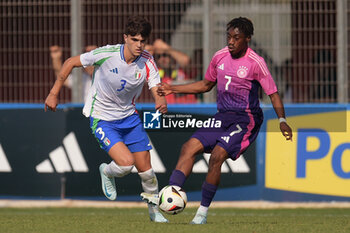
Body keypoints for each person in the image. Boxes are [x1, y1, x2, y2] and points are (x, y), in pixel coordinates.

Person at [141, 17, 293, 224]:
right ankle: (172, 194)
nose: (230, 41)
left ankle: (202, 213)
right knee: (189, 147)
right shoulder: (220, 56)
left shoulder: (256, 62)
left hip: (245, 119)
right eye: (229, 37)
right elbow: (205, 85)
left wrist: (282, 120)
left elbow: (273, 94)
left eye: (236, 38)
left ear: (247, 39)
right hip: (222, 116)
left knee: (217, 156)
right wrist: (172, 88)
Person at [45, 16, 169, 223]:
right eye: (135, 40)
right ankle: (107, 171)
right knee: (126, 164)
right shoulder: (107, 53)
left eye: (143, 41)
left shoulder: (147, 60)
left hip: (130, 118)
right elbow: (70, 63)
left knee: (147, 172)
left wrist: (160, 100)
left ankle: (154, 212)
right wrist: (53, 93)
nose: (139, 45)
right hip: (103, 118)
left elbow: (155, 85)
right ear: (125, 38)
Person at [146, 39, 197, 103]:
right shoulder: (155, 71)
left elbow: (186, 61)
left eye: (165, 55)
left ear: (171, 55)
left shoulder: (183, 69)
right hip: (165, 109)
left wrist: (167, 48)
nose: (162, 59)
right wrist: (146, 53)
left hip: (186, 109)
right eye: (159, 56)